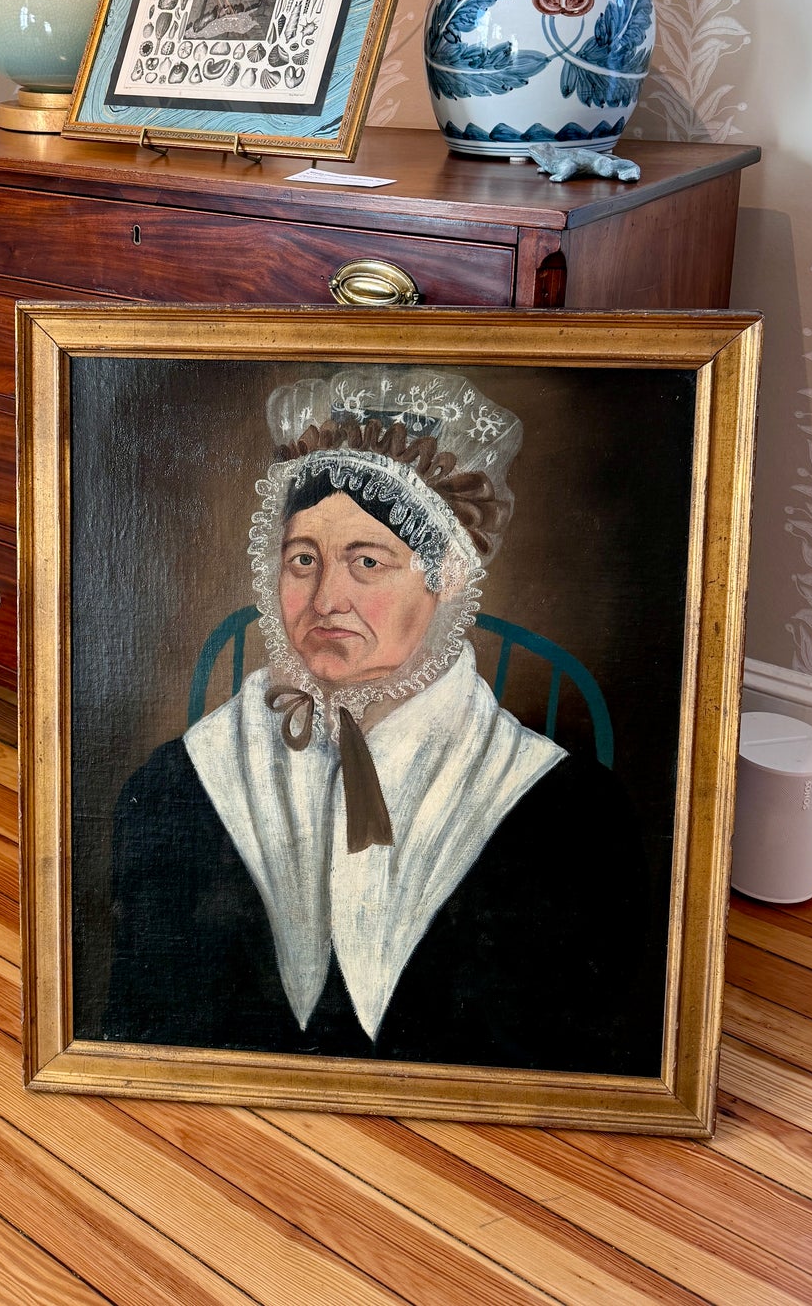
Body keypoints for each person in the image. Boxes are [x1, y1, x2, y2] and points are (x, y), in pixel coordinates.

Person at [104, 368, 653, 1072]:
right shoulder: (178, 783)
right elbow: (152, 1040)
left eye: (367, 561)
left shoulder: (571, 818)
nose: (326, 597)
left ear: (444, 576)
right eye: (302, 558)